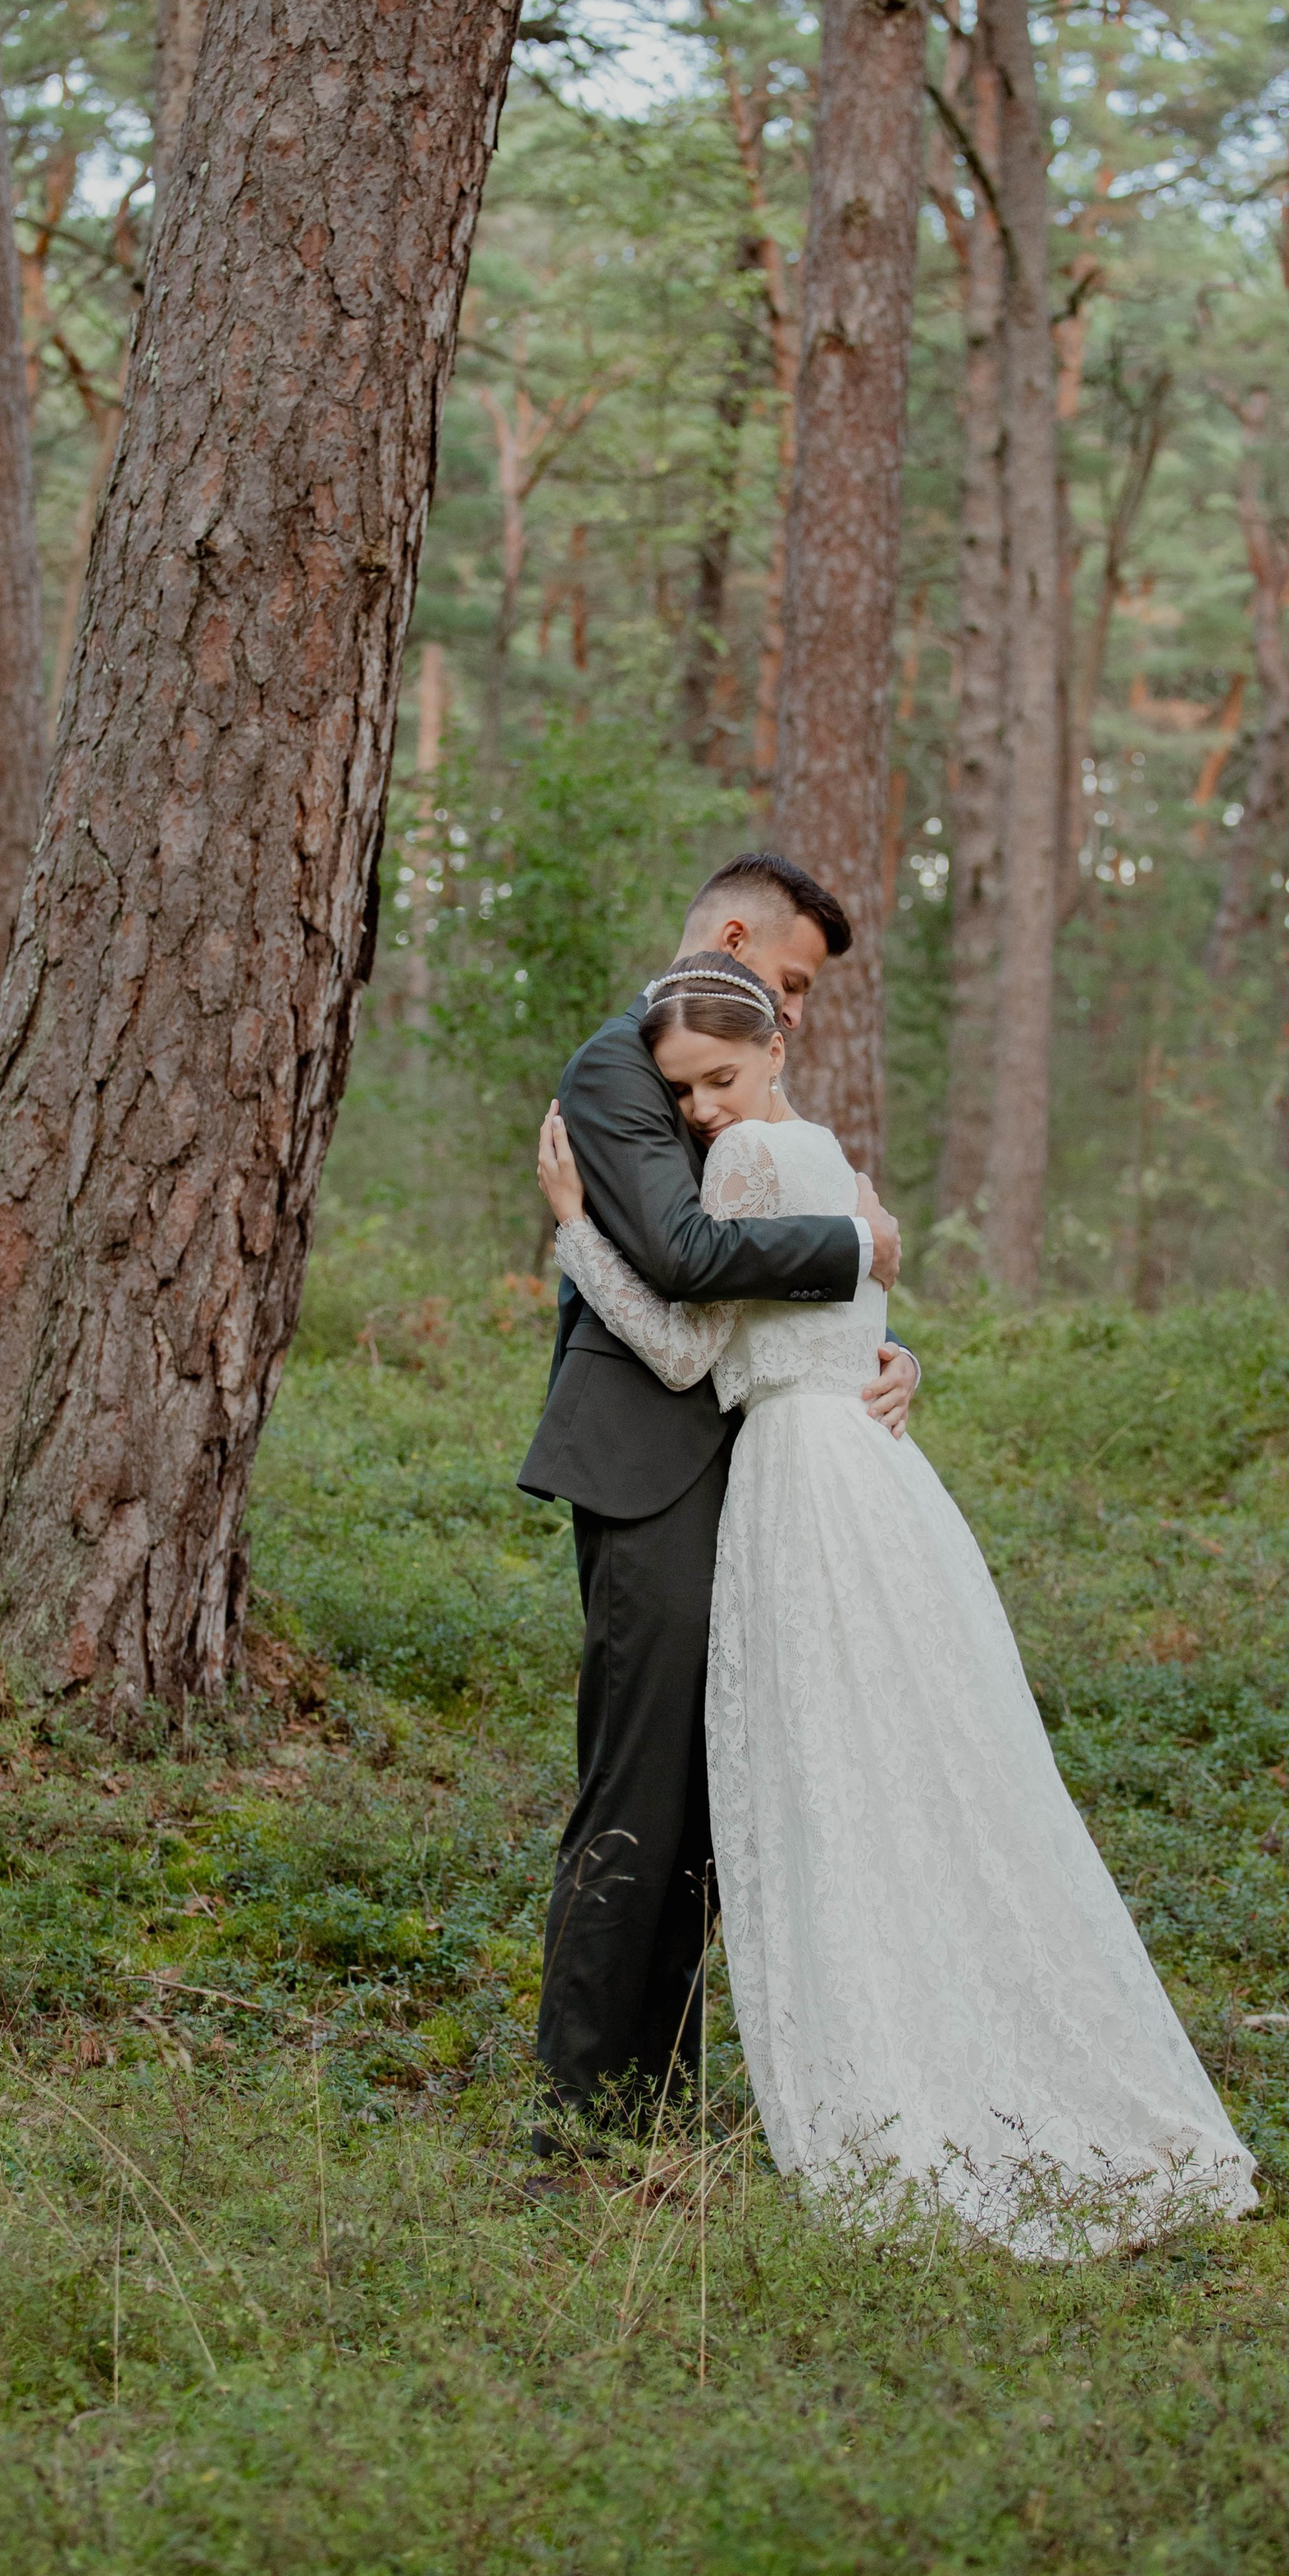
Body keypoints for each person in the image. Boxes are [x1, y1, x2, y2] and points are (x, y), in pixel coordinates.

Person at [535, 947, 1256, 2256]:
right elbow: (826, 1294)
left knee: (817, 1778)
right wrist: (878, 1302)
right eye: (686, 1085)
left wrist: (575, 1232)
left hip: (797, 1482)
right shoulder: (824, 1158)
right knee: (901, 1768)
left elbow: (696, 1324)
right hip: (865, 1481)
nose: (699, 1108)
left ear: (772, 1052)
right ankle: (938, 2051)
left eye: (720, 1077)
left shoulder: (758, 1161)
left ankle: (865, 2080)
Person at [517, 852, 918, 2141]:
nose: (793, 1013)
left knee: (710, 1790)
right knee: (635, 1786)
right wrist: (857, 1244)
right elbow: (690, 1265)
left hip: (758, 1472)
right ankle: (575, 2115)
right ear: (736, 939)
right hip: (647, 1466)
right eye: (789, 981)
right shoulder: (619, 1069)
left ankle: (658, 2098)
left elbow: (775, 1295)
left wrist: (884, 1353)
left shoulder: (737, 1096)